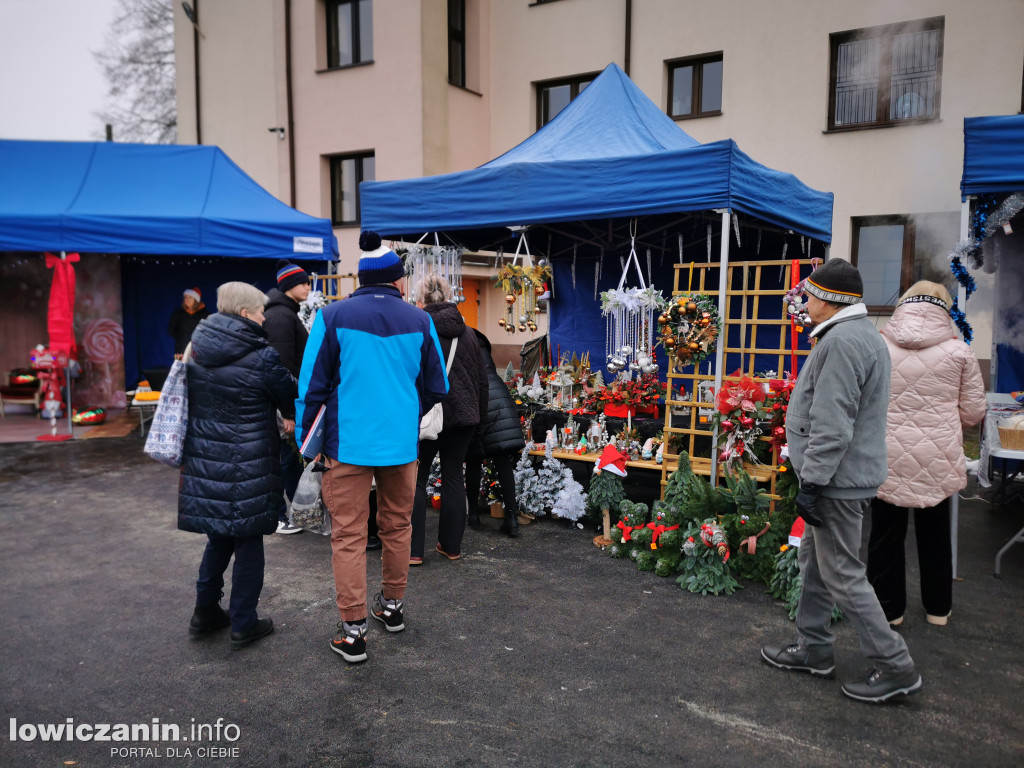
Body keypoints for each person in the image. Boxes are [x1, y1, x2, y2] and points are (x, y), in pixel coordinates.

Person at [760, 258, 922, 703]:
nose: (805, 302)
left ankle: (896, 666)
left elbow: (833, 425)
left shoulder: (843, 343)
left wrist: (812, 482)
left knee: (843, 574)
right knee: (816, 564)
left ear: (830, 301)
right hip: (839, 477)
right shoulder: (856, 336)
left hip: (835, 481)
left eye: (810, 295)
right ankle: (814, 649)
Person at [296, 232, 448, 664]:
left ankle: (354, 629)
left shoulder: (333, 315)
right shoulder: (421, 321)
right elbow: (438, 387)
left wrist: (307, 443)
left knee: (348, 535)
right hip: (400, 446)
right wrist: (404, 409)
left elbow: (311, 388)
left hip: (346, 446)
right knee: (398, 527)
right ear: (398, 281)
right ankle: (393, 608)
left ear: (360, 278)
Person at [178, 282, 298, 650]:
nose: (265, 317)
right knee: (248, 540)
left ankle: (205, 612)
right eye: (260, 311)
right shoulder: (261, 354)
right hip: (249, 461)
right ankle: (244, 621)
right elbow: (289, 394)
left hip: (206, 459)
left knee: (219, 536)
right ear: (245, 314)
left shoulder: (195, 347)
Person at [867, 281, 986, 627]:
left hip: (885, 454)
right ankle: (938, 610)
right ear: (944, 307)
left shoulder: (878, 345)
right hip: (937, 456)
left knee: (884, 535)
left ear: (904, 303)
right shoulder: (959, 351)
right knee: (935, 536)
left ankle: (889, 612)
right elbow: (973, 413)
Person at [410, 275, 488, 564]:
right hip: (464, 415)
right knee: (454, 474)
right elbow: (482, 380)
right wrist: (478, 418)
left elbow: (412, 376)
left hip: (428, 414)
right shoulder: (468, 333)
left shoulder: (418, 329)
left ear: (421, 301)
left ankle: (414, 551)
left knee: (416, 478)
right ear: (447, 297)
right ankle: (451, 546)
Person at [264, 260, 311, 535]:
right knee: (285, 459)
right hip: (284, 404)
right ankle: (282, 517)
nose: (308, 287)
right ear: (290, 285)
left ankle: (289, 513)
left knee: (287, 458)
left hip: (285, 401)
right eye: (304, 282)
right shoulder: (282, 317)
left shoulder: (285, 312)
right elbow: (281, 367)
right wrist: (289, 413)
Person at [464, 328, 525, 537]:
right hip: (497, 393)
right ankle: (512, 518)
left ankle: (473, 514)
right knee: (502, 461)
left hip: (476, 395)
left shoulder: (460, 341)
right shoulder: (481, 341)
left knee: (473, 460)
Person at [167, 287, 211, 359]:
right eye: (185, 297)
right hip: (180, 350)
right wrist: (180, 339)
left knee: (197, 369)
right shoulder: (178, 313)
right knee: (179, 367)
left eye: (190, 297)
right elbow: (171, 329)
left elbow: (209, 332)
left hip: (199, 350)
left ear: (196, 300)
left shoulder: (205, 314)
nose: (187, 300)